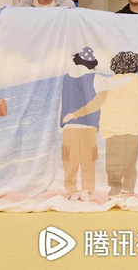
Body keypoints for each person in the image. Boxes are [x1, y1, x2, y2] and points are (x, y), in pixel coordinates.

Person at [64, 51, 138, 198]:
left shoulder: (109, 83)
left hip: (112, 131)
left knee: (113, 164)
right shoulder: (136, 81)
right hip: (133, 130)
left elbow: (94, 104)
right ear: (134, 65)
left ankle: (115, 191)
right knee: (130, 164)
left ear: (115, 65)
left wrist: (74, 114)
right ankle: (128, 191)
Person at [58, 47, 101, 201]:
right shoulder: (94, 78)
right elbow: (97, 103)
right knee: (88, 161)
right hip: (89, 125)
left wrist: (61, 124)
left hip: (70, 126)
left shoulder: (66, 77)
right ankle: (87, 191)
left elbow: (62, 101)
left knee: (70, 160)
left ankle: (71, 191)